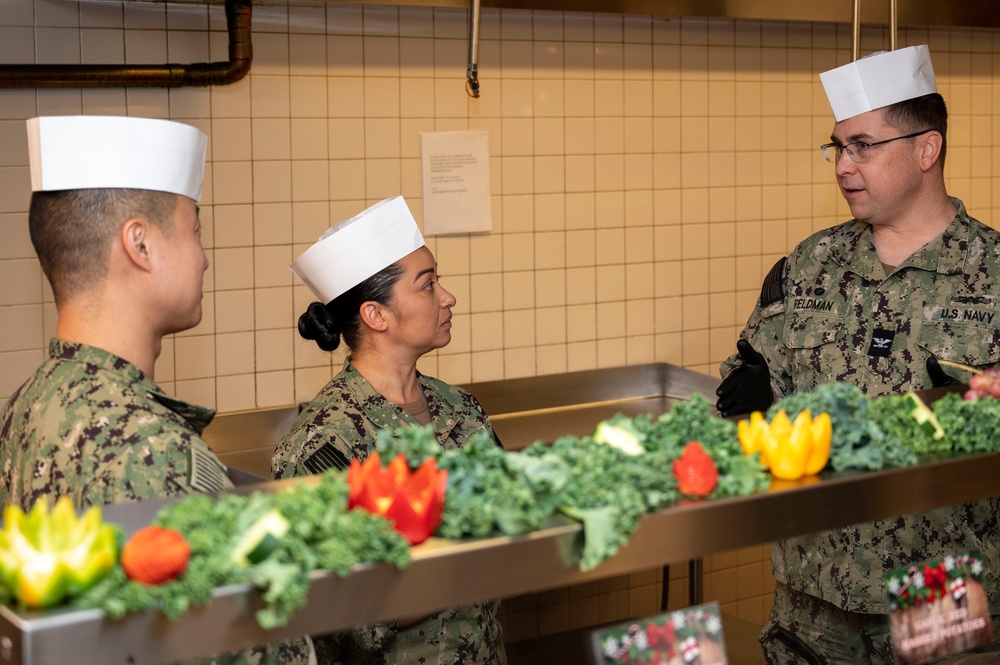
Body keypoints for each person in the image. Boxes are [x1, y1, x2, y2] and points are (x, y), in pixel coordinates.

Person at [716, 46, 1000, 664]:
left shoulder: (994, 274)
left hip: (939, 589)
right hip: (811, 592)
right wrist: (753, 389)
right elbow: (747, 368)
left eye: (863, 146)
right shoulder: (809, 264)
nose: (843, 166)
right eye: (838, 148)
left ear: (927, 150)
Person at [0, 115, 314, 665]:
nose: (204, 256)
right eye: (195, 229)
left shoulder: (31, 403)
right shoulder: (149, 448)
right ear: (140, 244)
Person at [272, 196, 507, 664]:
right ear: (376, 315)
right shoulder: (324, 443)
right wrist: (474, 558)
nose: (447, 297)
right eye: (428, 285)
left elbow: (514, 515)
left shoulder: (459, 408)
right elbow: (351, 609)